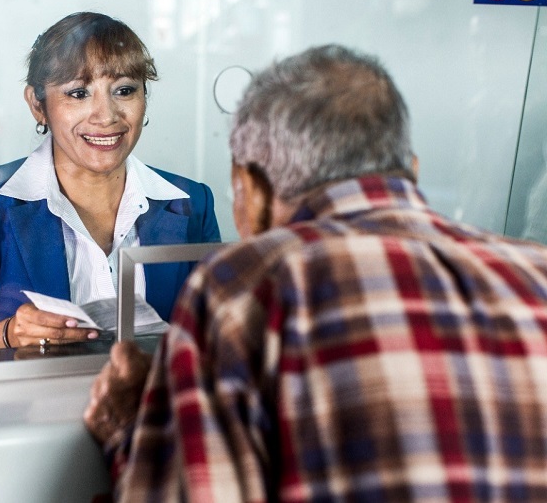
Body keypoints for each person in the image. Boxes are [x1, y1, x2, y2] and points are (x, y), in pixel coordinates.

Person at [84, 44, 547, 501]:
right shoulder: (538, 273)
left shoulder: (242, 287)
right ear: (412, 171)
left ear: (250, 187)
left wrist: (129, 427)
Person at [0, 12, 220, 352]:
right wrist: (9, 336)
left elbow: (219, 336)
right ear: (37, 105)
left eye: (124, 90)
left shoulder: (192, 203)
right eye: (78, 93)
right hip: (32, 404)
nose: (106, 115)